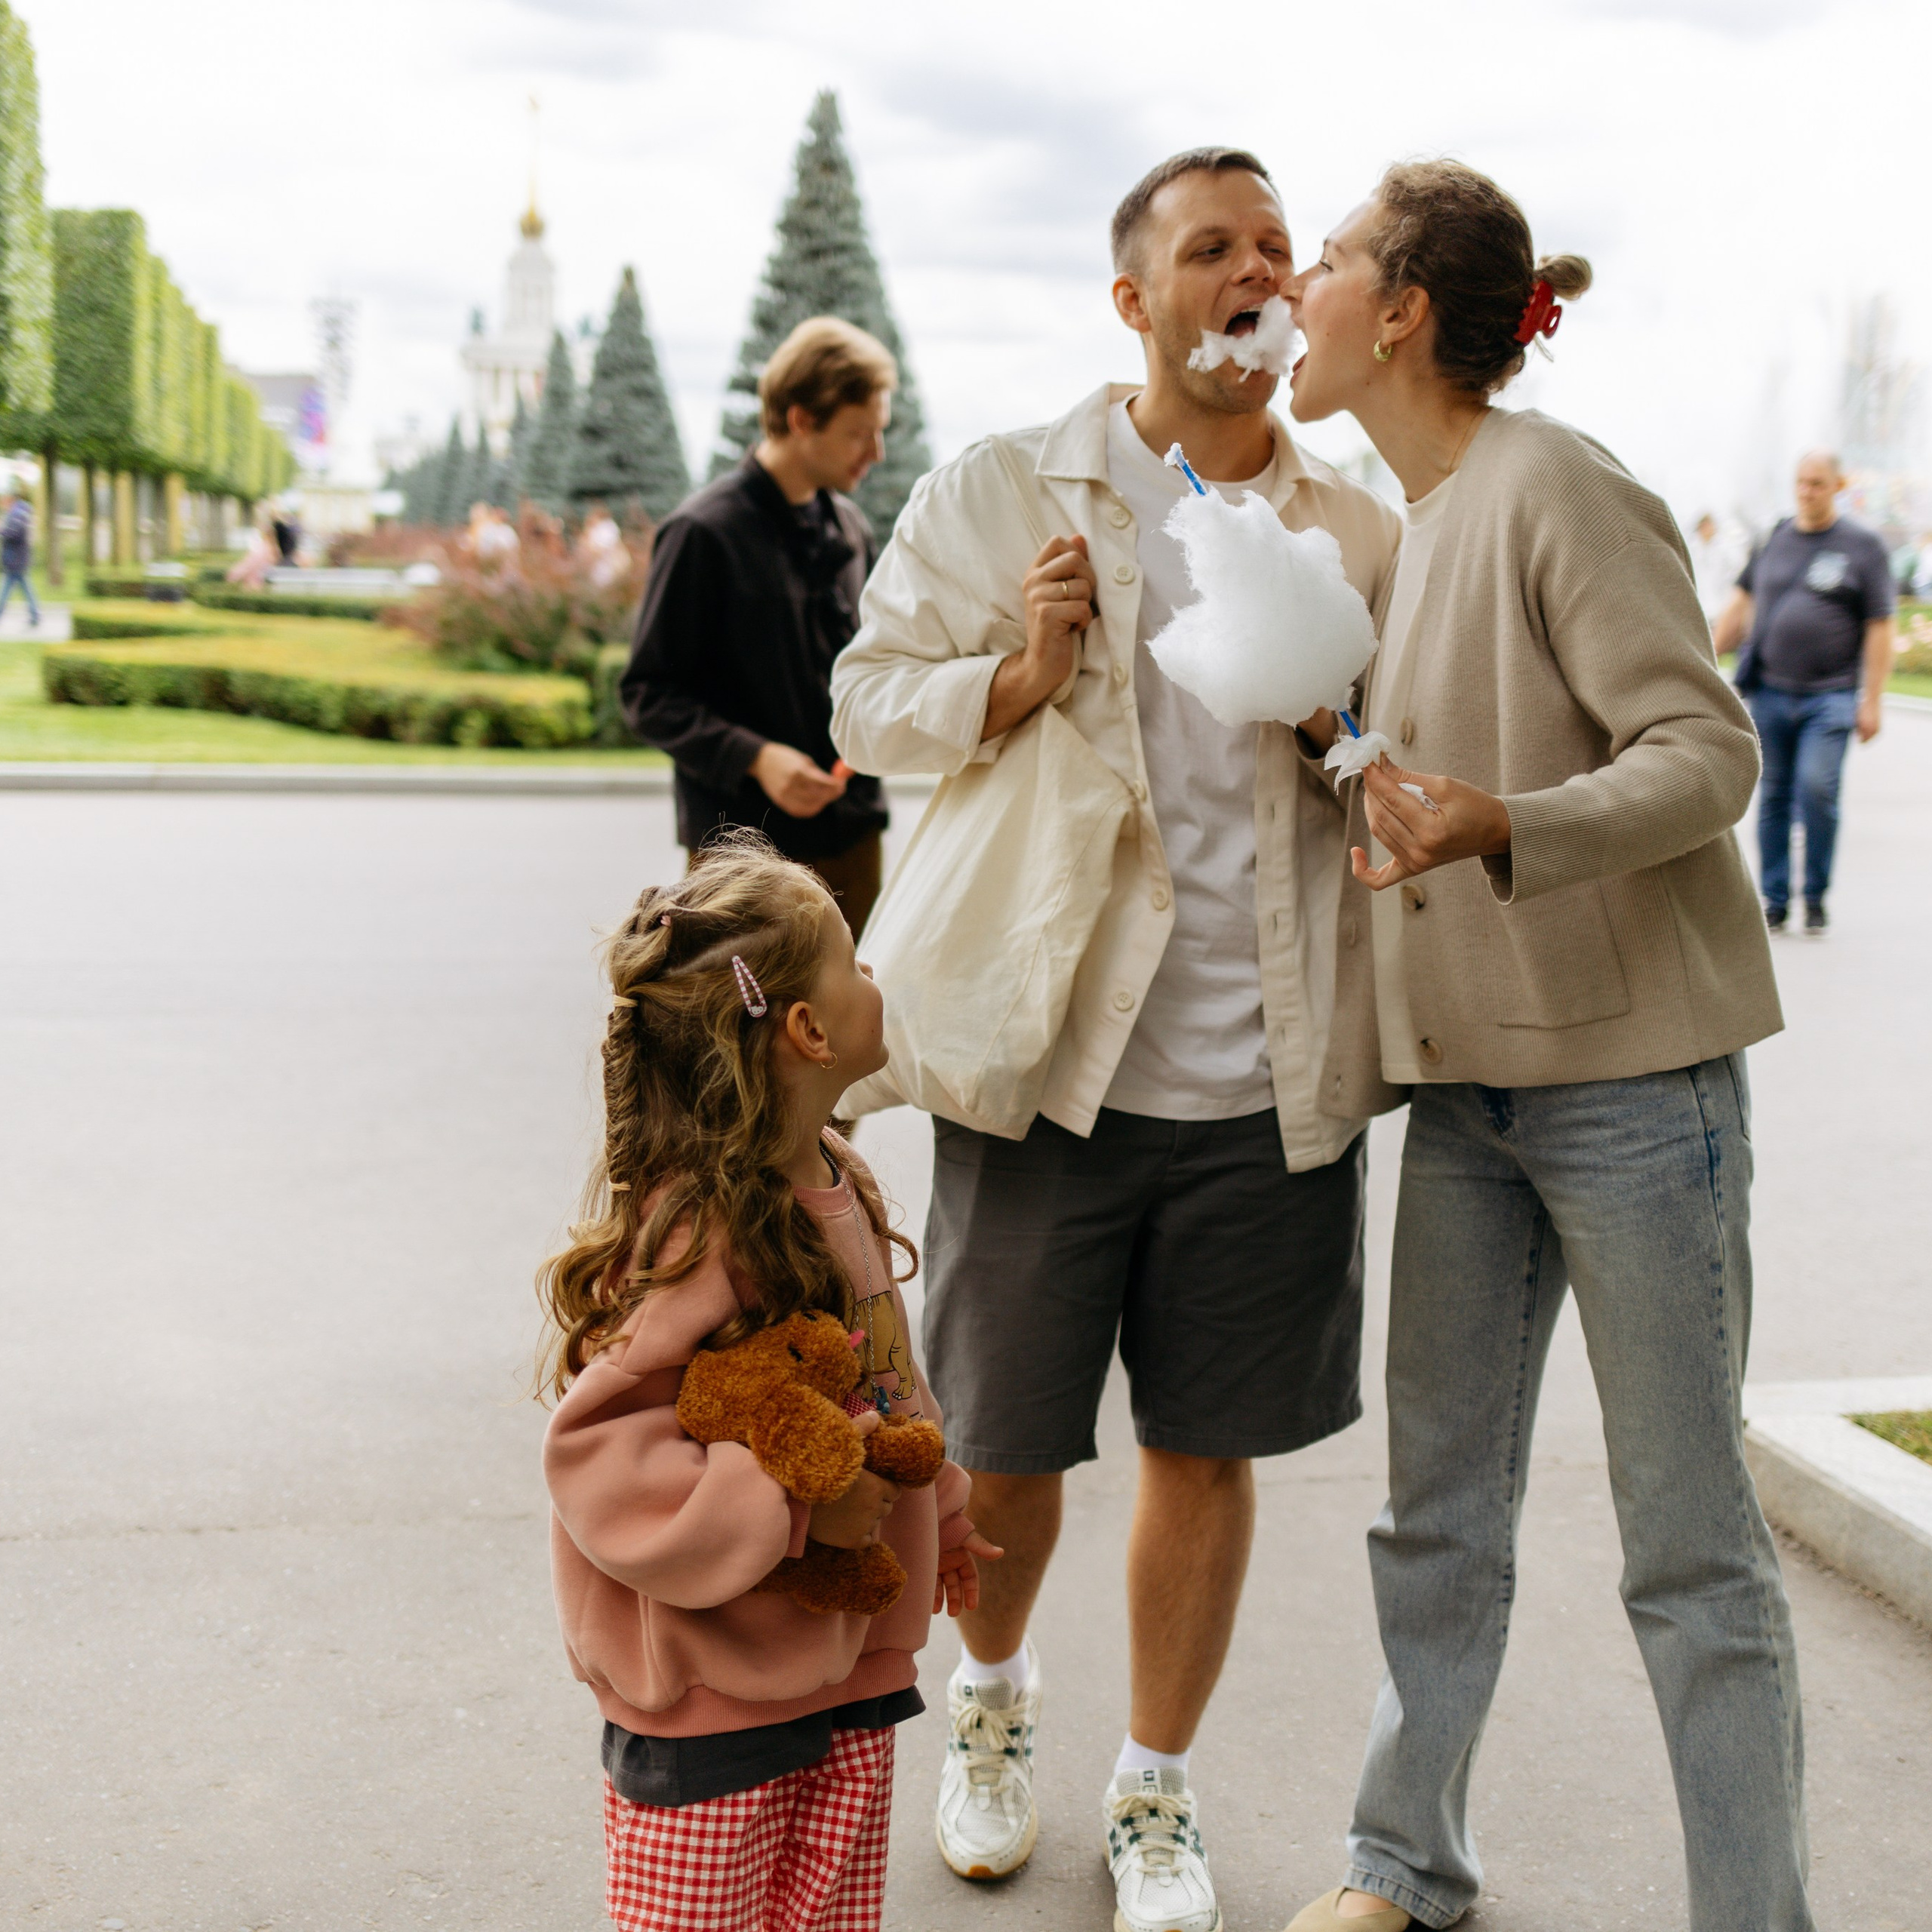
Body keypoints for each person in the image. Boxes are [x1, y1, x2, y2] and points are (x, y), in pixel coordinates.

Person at [832, 149, 1400, 1932]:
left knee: (1204, 1448)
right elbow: (862, 699)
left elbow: (1397, 761)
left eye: (1273, 249)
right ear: (1133, 298)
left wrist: (1345, 723)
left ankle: (1154, 1784)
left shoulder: (1353, 526)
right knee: (1000, 1445)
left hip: (1264, 1078)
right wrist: (1005, 676)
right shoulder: (1011, 490)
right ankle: (987, 1706)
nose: (1250, 272)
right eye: (1206, 248)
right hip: (1049, 1062)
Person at [1279, 161, 1802, 1932]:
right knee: (1433, 1511)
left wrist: (1499, 819)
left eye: (1331, 259)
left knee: (1689, 1551)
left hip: (1633, 1097)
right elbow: (1447, 786)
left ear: (1402, 309)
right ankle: (1400, 1859)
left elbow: (1703, 751)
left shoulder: (1552, 484)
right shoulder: (1415, 512)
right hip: (1468, 1095)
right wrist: (1338, 755)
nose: (1299, 286)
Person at [537, 835, 996, 1932]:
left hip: (846, 1673)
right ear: (808, 1029)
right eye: (855, 960)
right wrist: (799, 1511)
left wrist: (943, 1508)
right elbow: (599, 1457)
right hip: (712, 1701)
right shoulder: (699, 1230)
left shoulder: (841, 1175)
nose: (875, 974)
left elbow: (888, 1380)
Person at [620, 318, 896, 939]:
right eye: (859, 433)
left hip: (853, 836)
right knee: (746, 1034)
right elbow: (647, 693)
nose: (876, 453)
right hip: (744, 856)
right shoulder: (702, 532)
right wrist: (757, 758)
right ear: (801, 420)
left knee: (850, 1026)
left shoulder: (852, 530)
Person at [1713, 451, 1896, 935]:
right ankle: (1775, 899)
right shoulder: (1775, 538)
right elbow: (1741, 603)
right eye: (1800, 482)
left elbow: (1880, 626)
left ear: (1838, 485)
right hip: (1770, 692)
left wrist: (1872, 700)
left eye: (1817, 483)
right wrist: (1702, 657)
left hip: (1830, 696)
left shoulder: (1863, 547)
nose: (1806, 491)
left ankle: (1814, 895)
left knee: (1816, 790)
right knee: (1772, 795)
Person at [1688, 510, 1744, 627]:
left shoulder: (1724, 547)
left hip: (1722, 605)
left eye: (1710, 525)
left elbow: (1737, 568)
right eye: (1704, 526)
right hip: (1702, 606)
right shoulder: (1693, 550)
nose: (1708, 529)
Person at [0, 488, 39, 627]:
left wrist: (2, 532)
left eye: (4, 499)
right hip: (17, 558)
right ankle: (35, 614)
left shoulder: (17, 514)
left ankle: (35, 614)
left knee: (7, 588)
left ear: (11, 499)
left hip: (16, 558)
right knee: (24, 587)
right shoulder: (19, 512)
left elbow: (15, 533)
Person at [577, 499, 631, 589]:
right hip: (595, 571)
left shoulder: (607, 528)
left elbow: (600, 549)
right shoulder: (593, 528)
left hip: (607, 569)